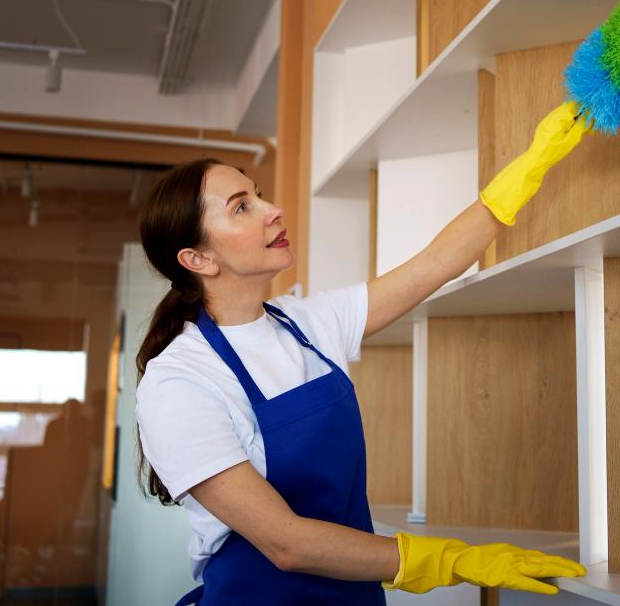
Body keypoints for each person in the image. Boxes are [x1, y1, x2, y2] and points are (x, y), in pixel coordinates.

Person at [135, 102, 590, 604]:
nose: (273, 210)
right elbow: (285, 542)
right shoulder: (178, 382)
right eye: (242, 206)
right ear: (197, 258)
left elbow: (435, 264)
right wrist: (449, 559)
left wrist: (531, 165)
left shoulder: (305, 323)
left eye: (258, 195)